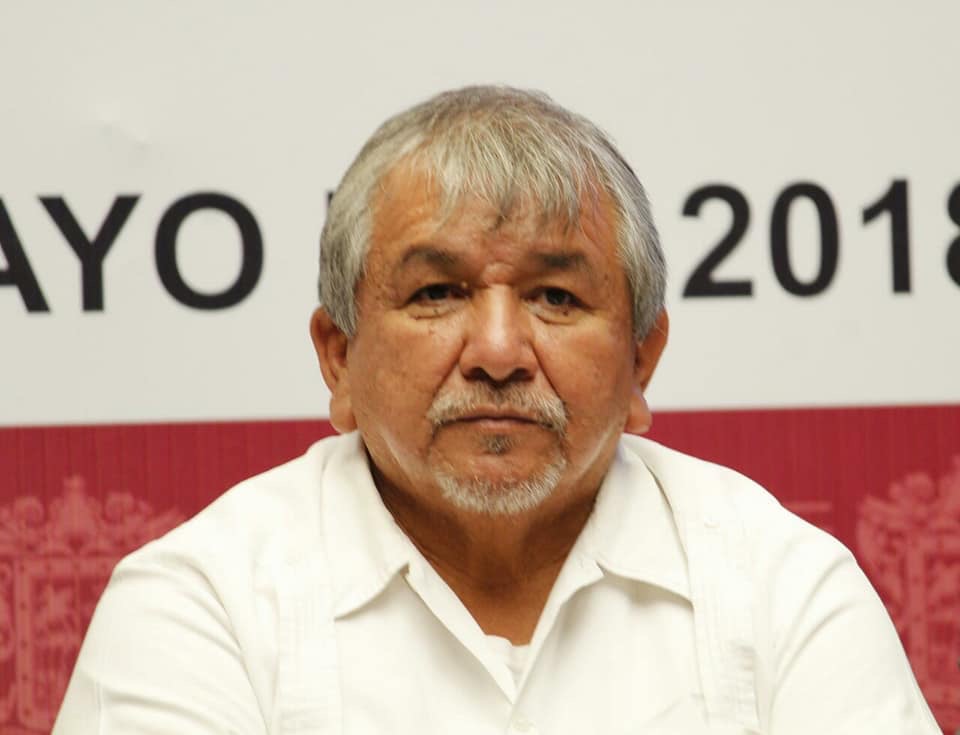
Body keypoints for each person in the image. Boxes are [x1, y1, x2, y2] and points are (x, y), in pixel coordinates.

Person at [54, 86, 939, 734]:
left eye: (556, 297)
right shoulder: (198, 603)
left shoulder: (782, 586)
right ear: (339, 359)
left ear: (641, 361)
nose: (500, 351)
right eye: (437, 292)